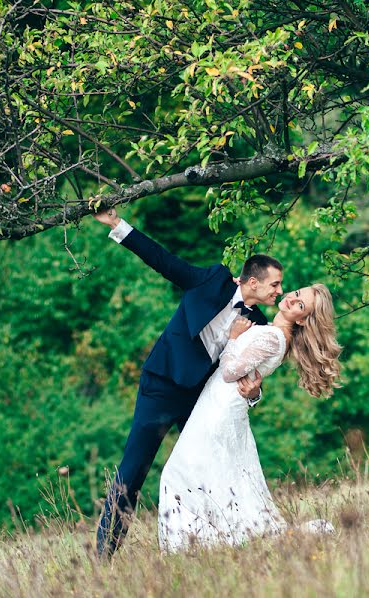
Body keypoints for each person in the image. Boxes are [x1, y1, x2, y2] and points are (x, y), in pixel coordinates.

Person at [92, 207, 284, 559]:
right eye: (275, 284)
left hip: (198, 398)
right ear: (252, 282)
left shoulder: (259, 321)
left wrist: (254, 394)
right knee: (134, 468)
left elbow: (245, 372)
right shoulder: (211, 279)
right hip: (162, 386)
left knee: (210, 464)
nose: (279, 291)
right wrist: (118, 225)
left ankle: (215, 543)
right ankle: (105, 552)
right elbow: (164, 261)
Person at [158, 284, 341, 552]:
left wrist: (233, 338)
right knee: (209, 476)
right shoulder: (272, 332)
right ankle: (209, 543)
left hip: (219, 409)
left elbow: (231, 371)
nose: (292, 299)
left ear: (302, 319)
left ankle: (195, 546)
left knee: (180, 472)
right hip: (218, 405)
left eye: (300, 305)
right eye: (297, 294)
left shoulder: (274, 337)